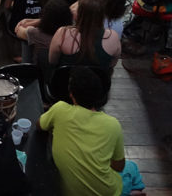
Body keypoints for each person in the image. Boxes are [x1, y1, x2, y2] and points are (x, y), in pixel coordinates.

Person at [38, 66, 146, 196]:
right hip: (108, 191)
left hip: (68, 192)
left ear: (71, 93)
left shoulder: (59, 110)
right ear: (99, 95)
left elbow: (40, 125)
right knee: (132, 167)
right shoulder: (112, 125)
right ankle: (131, 192)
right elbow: (119, 166)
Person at [49, 0, 121, 72]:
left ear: (79, 14)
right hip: (98, 83)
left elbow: (52, 61)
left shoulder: (63, 33)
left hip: (66, 82)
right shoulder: (113, 37)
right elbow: (111, 65)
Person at [15, 0, 73, 65]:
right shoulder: (72, 34)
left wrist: (24, 24)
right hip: (61, 71)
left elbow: (19, 32)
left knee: (26, 37)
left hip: (40, 70)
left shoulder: (36, 34)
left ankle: (26, 65)